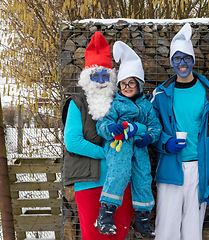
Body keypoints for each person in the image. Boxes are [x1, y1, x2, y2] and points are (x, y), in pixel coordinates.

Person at [150, 23, 209, 240]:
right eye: (177, 58)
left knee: (193, 232)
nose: (181, 63)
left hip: (199, 170)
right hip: (170, 169)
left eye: (186, 58)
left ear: (193, 60)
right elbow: (151, 128)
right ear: (171, 61)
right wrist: (165, 142)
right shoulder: (160, 95)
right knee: (166, 230)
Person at [62, 31, 135, 240]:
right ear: (87, 78)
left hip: (120, 183)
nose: (101, 81)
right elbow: (73, 142)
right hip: (89, 183)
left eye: (105, 76)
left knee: (118, 235)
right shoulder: (76, 103)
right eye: (96, 76)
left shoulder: (120, 101)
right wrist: (106, 152)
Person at [95, 41, 161, 238]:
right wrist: (110, 128)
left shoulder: (147, 106)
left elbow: (155, 126)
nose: (127, 87)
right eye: (123, 84)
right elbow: (101, 125)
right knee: (119, 174)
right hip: (119, 147)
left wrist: (149, 136)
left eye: (131, 83)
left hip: (139, 149)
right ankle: (105, 215)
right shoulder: (115, 104)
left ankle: (142, 219)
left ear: (139, 84)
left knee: (143, 179)